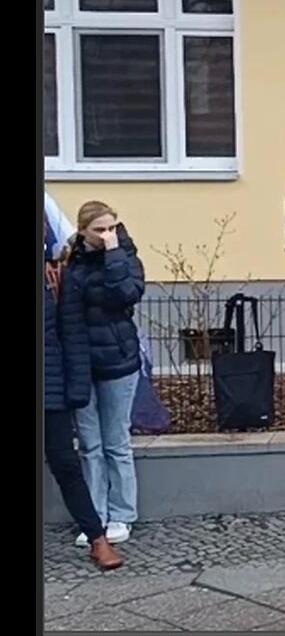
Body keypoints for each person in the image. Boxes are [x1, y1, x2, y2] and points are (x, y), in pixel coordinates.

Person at [61, 201, 147, 547]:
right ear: (83, 231)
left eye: (111, 227)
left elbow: (126, 293)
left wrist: (113, 254)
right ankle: (93, 517)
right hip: (81, 362)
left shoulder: (124, 256)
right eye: (99, 229)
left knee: (116, 442)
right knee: (90, 445)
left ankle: (122, 514)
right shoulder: (71, 260)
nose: (106, 234)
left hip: (117, 361)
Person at [44, 214, 123, 570]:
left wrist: (74, 389)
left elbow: (72, 335)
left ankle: (97, 538)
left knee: (66, 464)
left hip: (49, 385)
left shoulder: (55, 279)